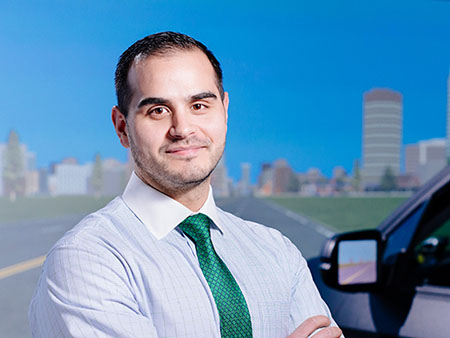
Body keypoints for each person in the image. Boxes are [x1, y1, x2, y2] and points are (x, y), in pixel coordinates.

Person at [29, 31, 342, 338]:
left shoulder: (277, 251)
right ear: (122, 127)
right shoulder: (86, 258)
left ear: (225, 110)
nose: (182, 128)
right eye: (158, 111)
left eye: (199, 106)